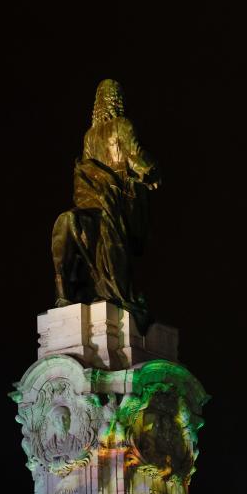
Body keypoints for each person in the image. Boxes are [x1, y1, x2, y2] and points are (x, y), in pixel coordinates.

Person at [51, 79, 160, 331]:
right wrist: (153, 171)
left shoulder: (89, 136)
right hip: (119, 199)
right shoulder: (122, 125)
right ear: (117, 100)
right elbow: (137, 157)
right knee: (115, 237)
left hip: (93, 200)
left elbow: (86, 171)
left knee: (80, 223)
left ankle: (76, 291)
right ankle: (120, 293)